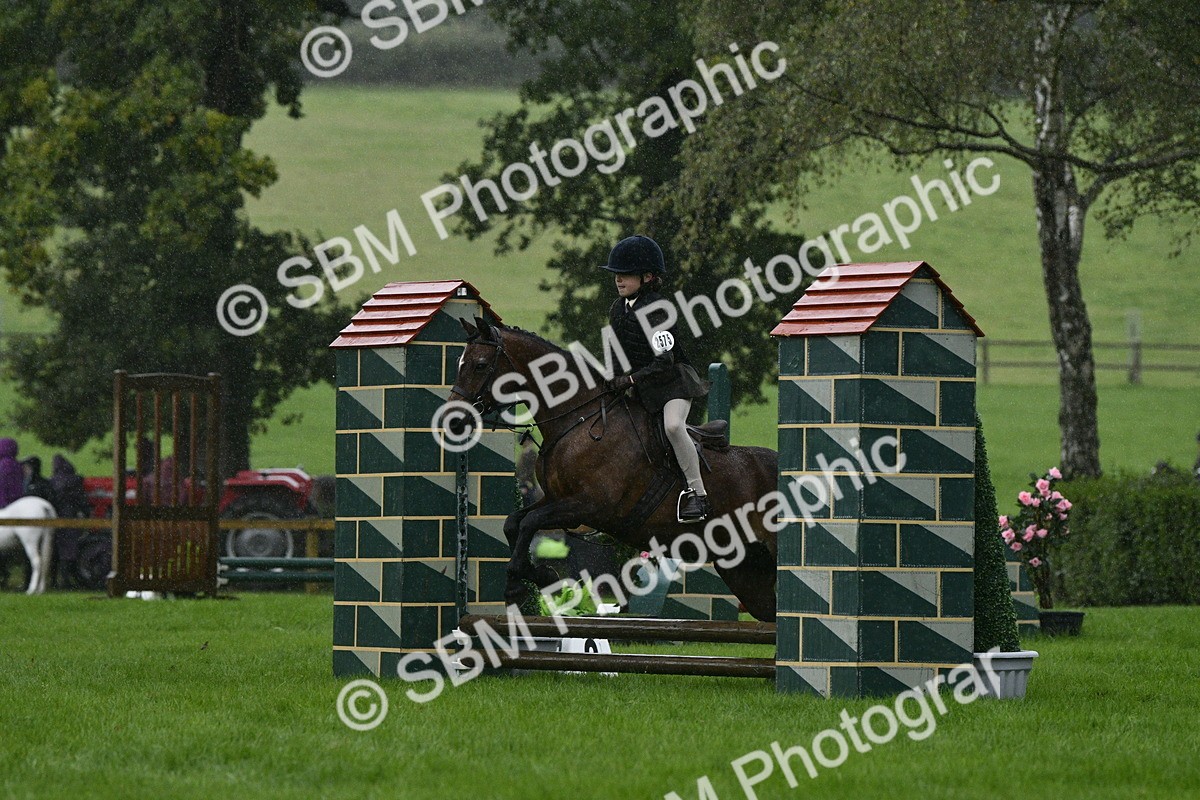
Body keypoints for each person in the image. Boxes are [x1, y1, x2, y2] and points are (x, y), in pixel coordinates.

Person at [599, 235, 711, 522]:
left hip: (673, 385)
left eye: (625, 274)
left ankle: (697, 495)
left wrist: (630, 380)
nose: (618, 280)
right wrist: (609, 379)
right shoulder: (617, 309)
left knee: (673, 427)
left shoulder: (659, 309)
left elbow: (664, 361)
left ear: (647, 277)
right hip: (644, 390)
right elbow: (615, 354)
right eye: (616, 275)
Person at [0, 437, 24, 509]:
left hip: (4, 500)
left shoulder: (4, 464)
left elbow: (3, 483)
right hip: (17, 499)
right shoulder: (16, 464)